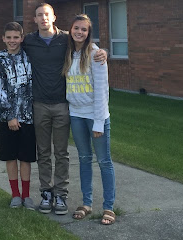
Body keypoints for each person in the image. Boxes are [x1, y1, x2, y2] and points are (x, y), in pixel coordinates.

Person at [0, 3, 107, 215]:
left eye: (47, 14)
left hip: (62, 104)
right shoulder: (29, 41)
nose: (43, 18)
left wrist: (103, 52)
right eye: (39, 15)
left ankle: (61, 194)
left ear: (54, 17)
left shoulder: (66, 39)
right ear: (34, 19)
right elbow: (9, 51)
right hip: (39, 105)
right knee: (43, 152)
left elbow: (85, 43)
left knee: (61, 153)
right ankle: (46, 193)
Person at [64, 13, 116, 225]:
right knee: (84, 159)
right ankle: (86, 203)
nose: (79, 32)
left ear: (89, 33)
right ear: (70, 30)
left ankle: (109, 207)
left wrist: (99, 122)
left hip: (95, 116)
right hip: (76, 115)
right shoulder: (68, 52)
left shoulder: (96, 55)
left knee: (104, 161)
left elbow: (102, 91)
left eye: (84, 29)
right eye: (76, 28)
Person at [0, 21, 36, 209]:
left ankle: (26, 195)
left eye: (16, 37)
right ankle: (15, 195)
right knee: (10, 157)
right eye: (9, 37)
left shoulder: (29, 57)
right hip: (7, 118)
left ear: (22, 38)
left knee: (25, 157)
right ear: (3, 38)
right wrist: (10, 116)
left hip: (28, 116)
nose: (12, 41)